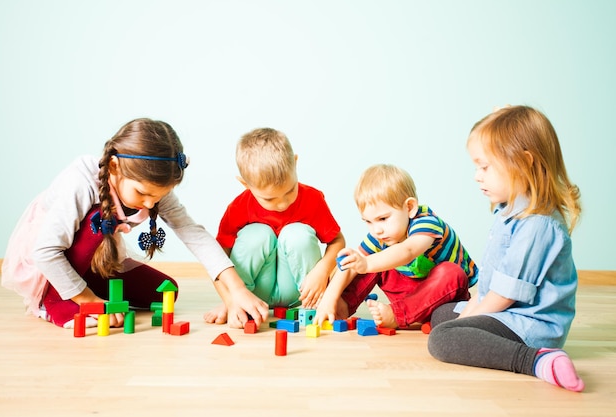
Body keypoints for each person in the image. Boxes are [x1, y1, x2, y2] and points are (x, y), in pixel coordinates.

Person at [1, 118, 268, 330]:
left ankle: (86, 284)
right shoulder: (81, 183)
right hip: (47, 264)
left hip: (91, 262)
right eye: (143, 194)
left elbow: (194, 235)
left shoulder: (151, 192)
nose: (150, 205)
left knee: (165, 292)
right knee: (98, 221)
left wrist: (237, 289)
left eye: (158, 196)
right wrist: (88, 300)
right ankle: (53, 302)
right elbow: (45, 252)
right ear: (115, 167)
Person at [427, 105, 584, 392]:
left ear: (524, 163)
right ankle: (472, 334)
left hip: (530, 325)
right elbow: (492, 287)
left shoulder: (538, 224)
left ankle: (536, 360)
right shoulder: (510, 212)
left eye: (485, 167)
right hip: (505, 311)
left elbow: (504, 295)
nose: (477, 176)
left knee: (441, 339)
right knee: (441, 315)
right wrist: (468, 313)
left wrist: (468, 321)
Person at [203, 127, 345, 325]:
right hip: (252, 292)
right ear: (245, 184)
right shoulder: (238, 207)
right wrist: (230, 299)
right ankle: (238, 303)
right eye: (269, 199)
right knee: (257, 234)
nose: (282, 204)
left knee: (297, 234)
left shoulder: (312, 199)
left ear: (295, 164)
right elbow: (217, 261)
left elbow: (338, 241)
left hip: (300, 292)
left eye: (289, 191)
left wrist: (322, 271)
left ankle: (314, 304)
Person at [314, 164, 478, 331]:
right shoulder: (381, 236)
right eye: (368, 222)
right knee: (364, 260)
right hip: (409, 295)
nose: (376, 230)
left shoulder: (427, 222)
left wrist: (366, 263)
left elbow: (407, 251)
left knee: (451, 272)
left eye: (383, 218)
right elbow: (352, 265)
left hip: (442, 295)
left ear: (409, 208)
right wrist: (329, 298)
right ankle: (342, 307)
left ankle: (397, 315)